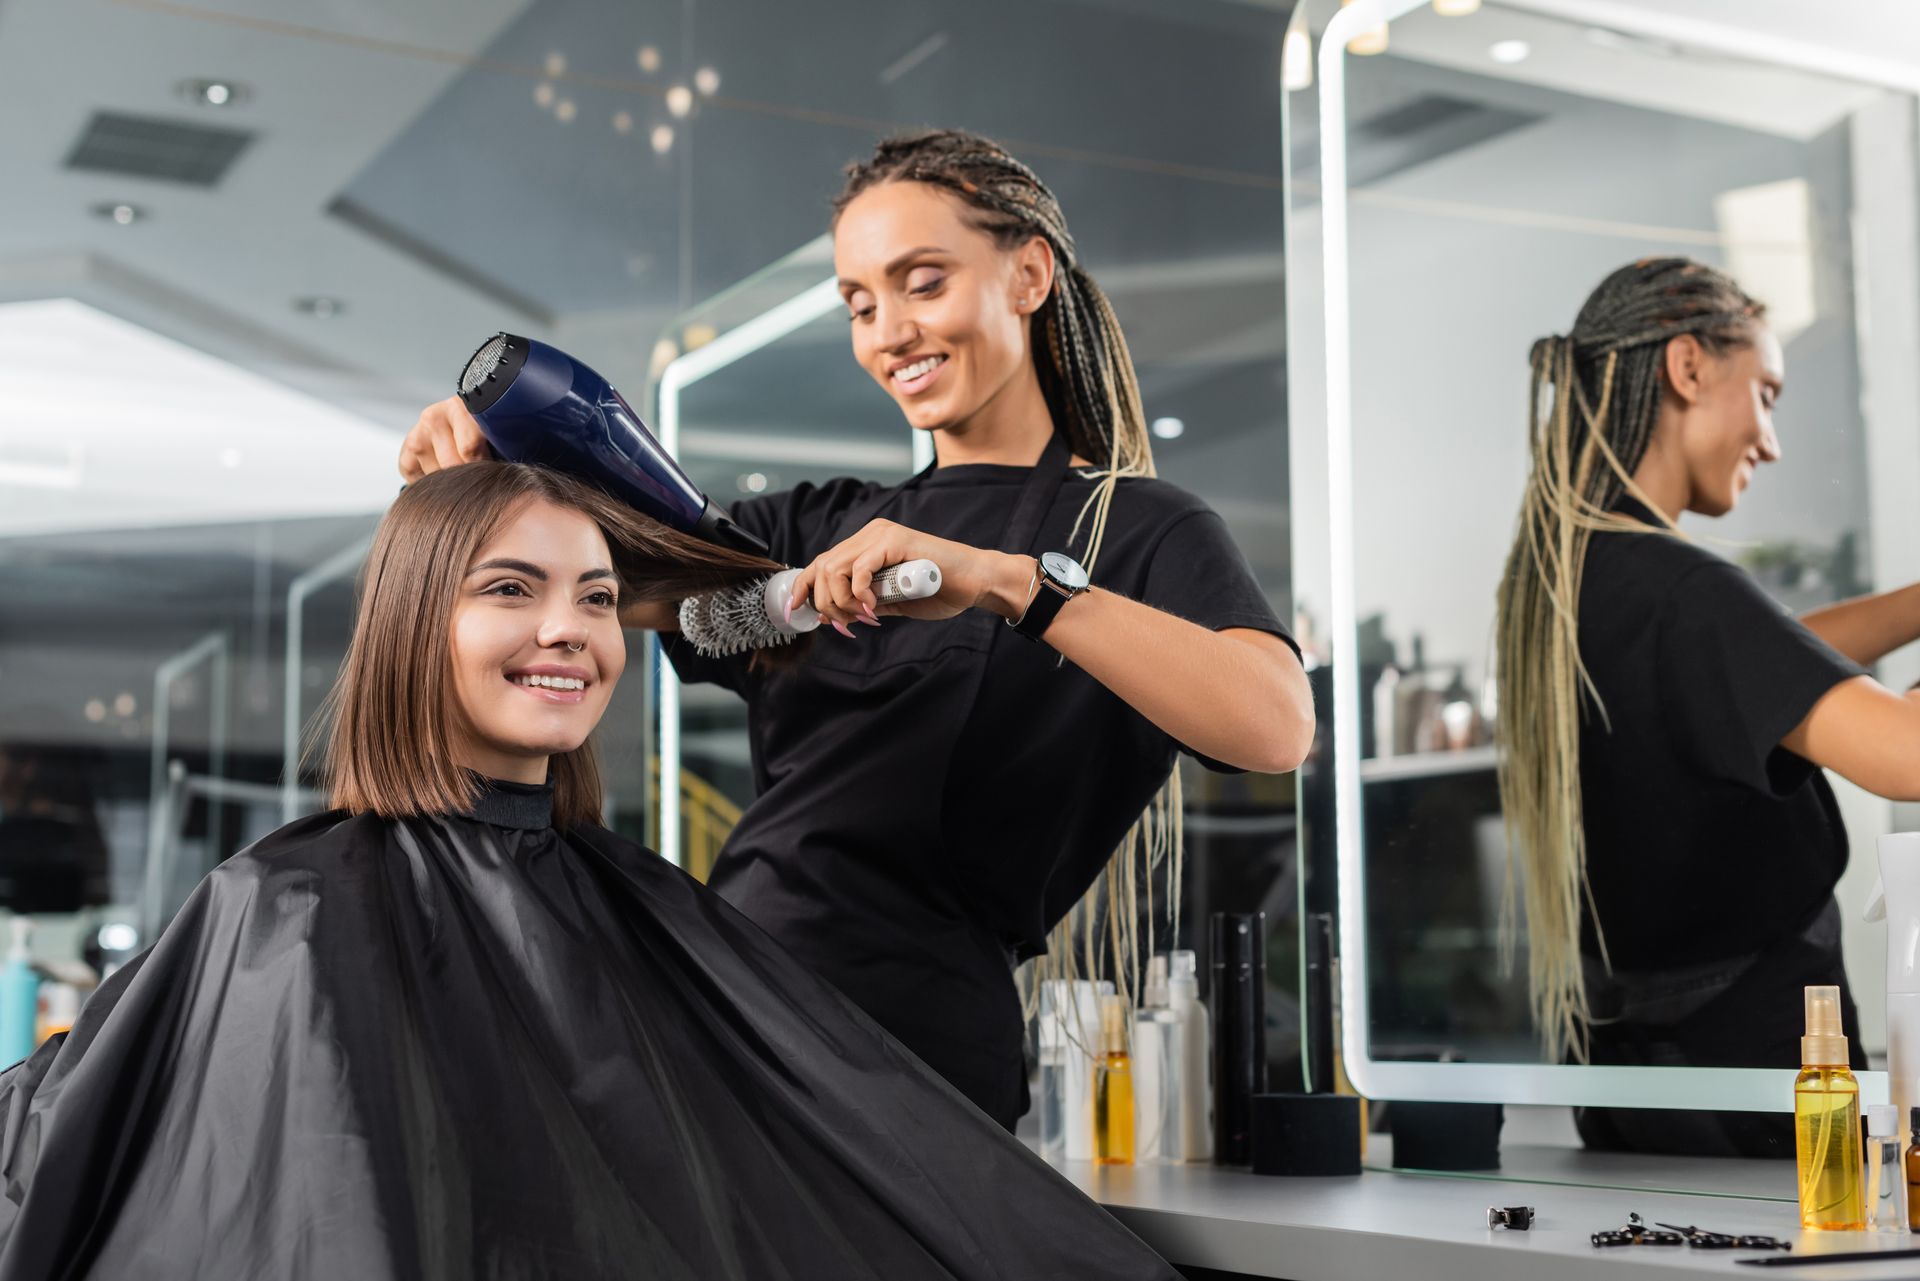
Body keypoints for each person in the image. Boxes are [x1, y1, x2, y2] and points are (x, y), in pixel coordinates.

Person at [0, 461, 1178, 1280]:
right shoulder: (291, 910)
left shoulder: (640, 908)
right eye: (510, 588)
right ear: (415, 621)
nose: (570, 628)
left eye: (599, 599)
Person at [400, 129, 1314, 1129]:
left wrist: (1011, 585)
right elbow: (623, 580)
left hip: (912, 1050)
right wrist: (492, 462)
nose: (889, 333)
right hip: (720, 996)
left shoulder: (1137, 530)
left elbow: (1273, 727)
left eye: (923, 283)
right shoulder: (815, 528)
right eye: (860, 305)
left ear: (1029, 274)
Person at [1495, 257, 1920, 1156]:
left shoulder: (1570, 579)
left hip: (1638, 1095)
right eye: (1764, 392)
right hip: (1756, 1088)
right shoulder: (1678, 589)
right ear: (1687, 368)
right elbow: (1908, 755)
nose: (1771, 439)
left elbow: (1770, 655)